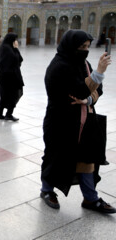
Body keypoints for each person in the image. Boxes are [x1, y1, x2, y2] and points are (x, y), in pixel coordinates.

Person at [40, 29, 115, 214]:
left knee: (87, 158)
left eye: (88, 47)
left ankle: (90, 198)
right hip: (60, 123)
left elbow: (97, 90)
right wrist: (97, 75)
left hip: (84, 122)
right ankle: (46, 190)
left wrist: (88, 100)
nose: (85, 50)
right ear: (71, 45)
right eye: (82, 47)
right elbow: (79, 90)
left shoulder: (85, 64)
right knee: (56, 157)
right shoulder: (58, 66)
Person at [0, 33, 24, 121]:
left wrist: (15, 49)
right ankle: (8, 114)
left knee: (4, 96)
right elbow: (16, 60)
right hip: (8, 77)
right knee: (13, 95)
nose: (16, 42)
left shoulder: (6, 47)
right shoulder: (6, 49)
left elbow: (19, 60)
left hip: (6, 76)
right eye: (15, 40)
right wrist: (16, 49)